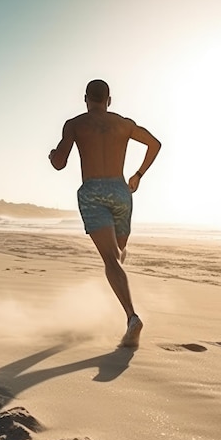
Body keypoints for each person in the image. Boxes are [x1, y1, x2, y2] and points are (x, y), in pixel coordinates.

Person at [49, 79, 161, 347]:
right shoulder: (124, 123)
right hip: (121, 192)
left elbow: (60, 164)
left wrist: (53, 154)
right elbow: (155, 144)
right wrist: (138, 175)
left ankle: (132, 317)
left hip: (92, 193)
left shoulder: (75, 124)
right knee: (117, 255)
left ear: (86, 99)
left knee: (111, 261)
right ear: (109, 100)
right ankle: (118, 259)